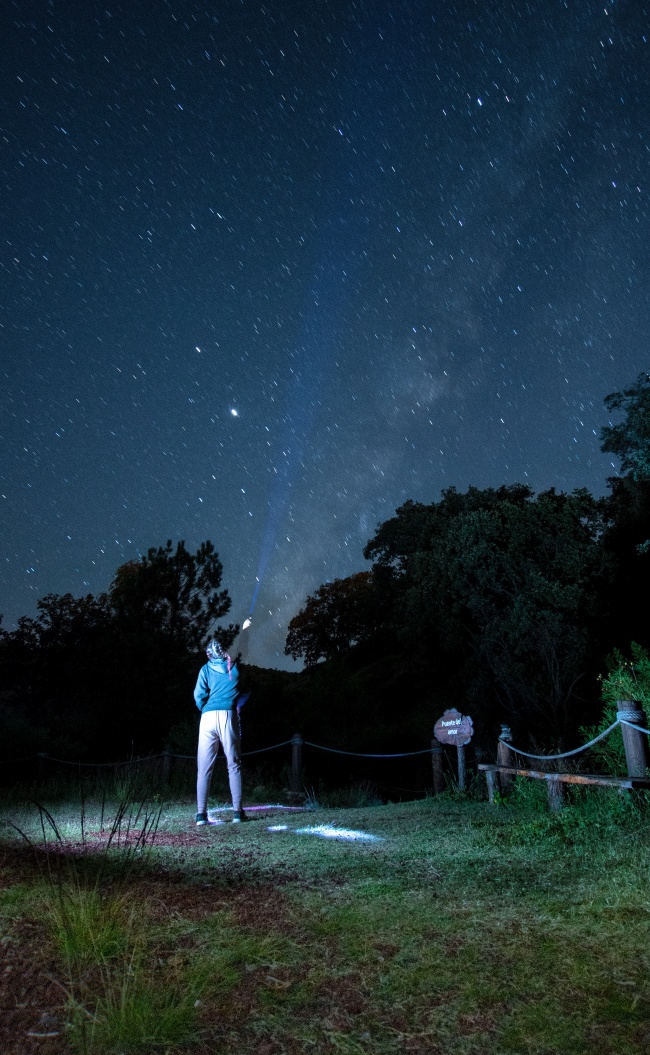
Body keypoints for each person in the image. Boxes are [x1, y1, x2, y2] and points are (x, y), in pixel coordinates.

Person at [194, 618, 251, 825]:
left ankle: (201, 814)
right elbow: (242, 647)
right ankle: (237, 812)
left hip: (207, 718)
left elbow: (198, 696)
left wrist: (205, 709)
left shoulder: (205, 670)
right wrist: (244, 630)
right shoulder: (233, 666)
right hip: (228, 716)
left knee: (204, 767)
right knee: (233, 764)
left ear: (209, 654)